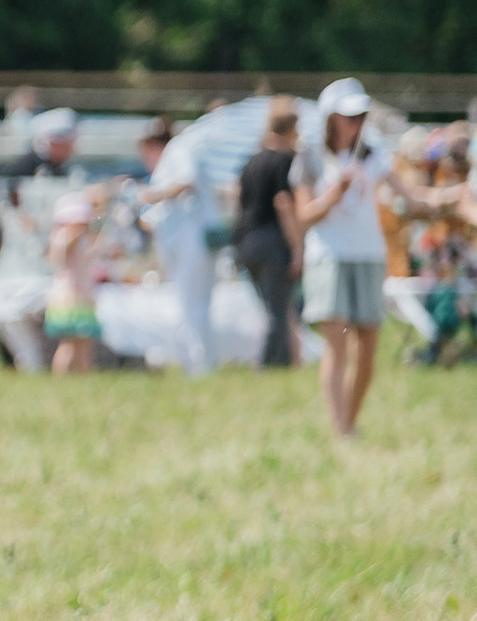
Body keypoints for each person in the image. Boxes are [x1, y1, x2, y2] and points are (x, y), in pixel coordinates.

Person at [293, 79, 389, 435]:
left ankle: (349, 422)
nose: (356, 123)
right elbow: (304, 214)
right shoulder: (311, 155)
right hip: (329, 256)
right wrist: (335, 194)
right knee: (338, 347)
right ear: (330, 118)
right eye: (349, 116)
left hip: (369, 254)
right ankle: (341, 430)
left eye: (360, 116)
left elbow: (408, 194)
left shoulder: (374, 153)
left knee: (366, 353)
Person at [136, 116, 220, 376]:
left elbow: (186, 181)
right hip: (185, 240)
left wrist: (153, 196)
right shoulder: (172, 157)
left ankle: (198, 366)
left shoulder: (179, 149)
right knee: (192, 304)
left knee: (190, 303)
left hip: (191, 242)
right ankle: (198, 364)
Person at [233, 100, 305, 368]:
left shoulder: (250, 161)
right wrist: (297, 248)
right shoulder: (285, 161)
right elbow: (283, 204)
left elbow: (238, 201)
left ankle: (280, 363)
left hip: (246, 242)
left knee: (270, 310)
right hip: (272, 242)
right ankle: (270, 366)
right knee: (279, 313)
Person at [43, 191, 104, 374]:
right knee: (68, 344)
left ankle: (83, 376)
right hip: (68, 298)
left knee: (84, 344)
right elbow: (60, 254)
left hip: (82, 296)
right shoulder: (62, 237)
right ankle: (62, 376)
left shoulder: (82, 240)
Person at [0, 105, 78, 208]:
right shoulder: (25, 166)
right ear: (52, 143)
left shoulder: (61, 166)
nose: (72, 150)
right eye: (66, 144)